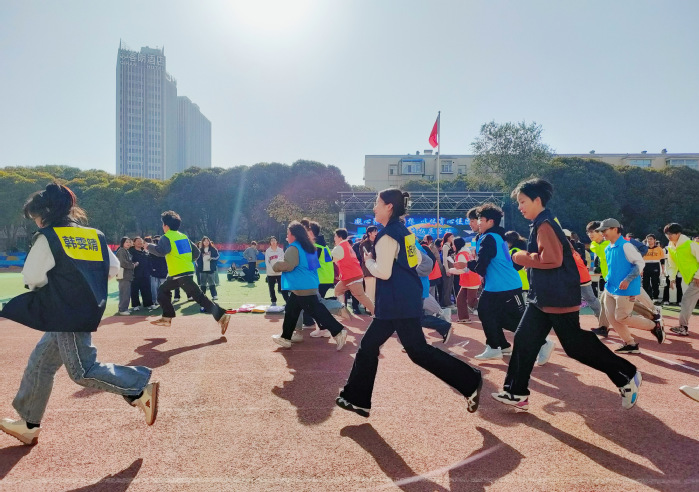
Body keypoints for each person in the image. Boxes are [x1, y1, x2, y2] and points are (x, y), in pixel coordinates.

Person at [0, 183, 158, 445]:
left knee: (82, 370)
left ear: (46, 213)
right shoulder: (95, 235)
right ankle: (28, 424)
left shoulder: (48, 236)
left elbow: (33, 278)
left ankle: (139, 388)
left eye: (36, 217)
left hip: (65, 311)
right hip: (85, 307)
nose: (36, 222)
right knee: (41, 363)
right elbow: (114, 269)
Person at [492, 178, 641, 412]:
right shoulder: (543, 222)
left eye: (522, 202)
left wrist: (520, 257)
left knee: (575, 346)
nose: (519, 207)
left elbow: (552, 259)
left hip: (556, 297)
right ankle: (516, 392)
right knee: (524, 339)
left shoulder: (545, 225)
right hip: (543, 297)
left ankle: (626, 373)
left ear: (537, 200)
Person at [336, 188, 483, 417]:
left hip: (396, 303)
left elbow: (383, 272)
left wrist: (369, 260)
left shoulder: (386, 235)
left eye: (377, 203)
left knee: (414, 351)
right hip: (402, 299)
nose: (374, 208)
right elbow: (415, 262)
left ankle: (470, 380)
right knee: (375, 347)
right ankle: (356, 399)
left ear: (389, 207)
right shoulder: (405, 233)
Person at [456, 203, 533, 361]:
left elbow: (482, 265)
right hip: (501, 284)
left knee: (487, 312)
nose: (477, 223)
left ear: (490, 221)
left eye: (480, 219)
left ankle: (496, 346)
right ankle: (502, 345)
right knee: (496, 316)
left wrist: (467, 265)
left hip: (503, 284)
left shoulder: (489, 238)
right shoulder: (494, 236)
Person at [146, 211, 231, 333]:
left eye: (162, 224)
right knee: (163, 290)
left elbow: (161, 251)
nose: (162, 227)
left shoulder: (167, 237)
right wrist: (186, 261)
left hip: (180, 274)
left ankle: (222, 316)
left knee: (200, 298)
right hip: (182, 273)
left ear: (166, 226)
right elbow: (196, 252)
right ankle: (167, 317)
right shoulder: (183, 236)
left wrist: (148, 246)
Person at [270, 221, 348, 349]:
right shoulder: (309, 246)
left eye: (288, 234)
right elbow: (313, 266)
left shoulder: (294, 248)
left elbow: (289, 265)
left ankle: (338, 330)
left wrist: (276, 265)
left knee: (316, 310)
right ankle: (285, 337)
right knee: (291, 309)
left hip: (302, 286)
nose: (287, 236)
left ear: (294, 235)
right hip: (308, 284)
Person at [597, 218, 665, 353]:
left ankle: (654, 326)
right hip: (610, 288)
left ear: (615, 229)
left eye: (605, 230)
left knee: (622, 317)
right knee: (611, 318)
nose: (602, 233)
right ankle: (630, 344)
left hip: (625, 289)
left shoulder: (626, 246)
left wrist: (628, 280)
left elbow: (639, 263)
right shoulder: (608, 248)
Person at [664, 222, 699, 336]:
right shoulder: (671, 247)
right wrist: (672, 278)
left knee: (686, 301)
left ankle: (683, 327)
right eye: (667, 234)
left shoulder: (691, 244)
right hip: (693, 279)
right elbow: (672, 264)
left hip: (696, 279)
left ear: (678, 233)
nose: (669, 236)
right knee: (688, 301)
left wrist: (697, 275)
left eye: (671, 233)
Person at [331, 228, 374, 315]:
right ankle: (342, 311)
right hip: (351, 276)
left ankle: (377, 313)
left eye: (335, 236)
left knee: (361, 296)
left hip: (352, 276)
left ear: (339, 237)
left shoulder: (340, 247)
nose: (334, 238)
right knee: (338, 291)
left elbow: (330, 259)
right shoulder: (347, 245)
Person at [564, 229, 602, 323]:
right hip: (577, 278)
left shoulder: (567, 249)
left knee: (590, 299)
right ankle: (602, 320)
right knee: (580, 300)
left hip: (580, 278)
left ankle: (603, 320)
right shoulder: (572, 247)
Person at [449, 237, 480, 322]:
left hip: (470, 280)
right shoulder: (466, 252)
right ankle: (464, 318)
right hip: (468, 280)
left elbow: (462, 270)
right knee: (460, 299)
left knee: (471, 301)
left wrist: (451, 270)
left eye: (453, 244)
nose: (452, 246)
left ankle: (490, 306)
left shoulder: (461, 254)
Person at [130, 236, 155, 311]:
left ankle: (148, 304)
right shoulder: (131, 252)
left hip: (145, 274)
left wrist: (151, 271)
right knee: (135, 290)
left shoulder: (145, 252)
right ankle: (135, 305)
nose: (140, 242)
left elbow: (149, 262)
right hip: (135, 274)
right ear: (134, 243)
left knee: (147, 289)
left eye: (141, 241)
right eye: (138, 241)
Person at [265, 236, 288, 306]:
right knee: (271, 288)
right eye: (272, 240)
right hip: (270, 273)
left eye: (274, 240)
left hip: (280, 272)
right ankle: (273, 301)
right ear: (270, 242)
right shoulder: (268, 251)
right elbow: (267, 262)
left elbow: (282, 260)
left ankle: (287, 301)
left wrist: (279, 268)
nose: (273, 242)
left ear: (277, 242)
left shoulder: (280, 250)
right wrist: (273, 269)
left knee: (283, 288)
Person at [115, 237, 136, 315]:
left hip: (127, 275)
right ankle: (122, 309)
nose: (128, 243)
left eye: (129, 242)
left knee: (126, 293)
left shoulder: (126, 251)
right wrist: (133, 265)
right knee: (124, 293)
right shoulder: (121, 251)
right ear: (122, 243)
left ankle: (124, 308)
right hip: (123, 275)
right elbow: (123, 263)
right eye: (126, 242)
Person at [642, 234, 664, 302]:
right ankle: (647, 298)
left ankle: (655, 297)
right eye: (648, 239)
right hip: (646, 266)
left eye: (651, 239)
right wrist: (641, 269)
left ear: (654, 240)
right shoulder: (643, 249)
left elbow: (662, 260)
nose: (649, 240)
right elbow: (640, 260)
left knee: (655, 282)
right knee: (645, 283)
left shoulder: (659, 249)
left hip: (655, 266)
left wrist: (663, 270)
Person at [149, 235, 168, 307]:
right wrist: (152, 269)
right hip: (155, 272)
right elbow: (150, 261)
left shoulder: (165, 251)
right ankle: (155, 300)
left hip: (163, 271)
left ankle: (163, 300)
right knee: (154, 287)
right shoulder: (152, 251)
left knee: (162, 287)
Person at [440, 232, 456, 308]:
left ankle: (448, 301)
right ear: (448, 238)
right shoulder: (445, 246)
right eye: (451, 237)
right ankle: (446, 302)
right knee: (447, 285)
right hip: (448, 267)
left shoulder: (451, 246)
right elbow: (444, 259)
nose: (453, 238)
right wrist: (447, 270)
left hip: (451, 266)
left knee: (450, 285)